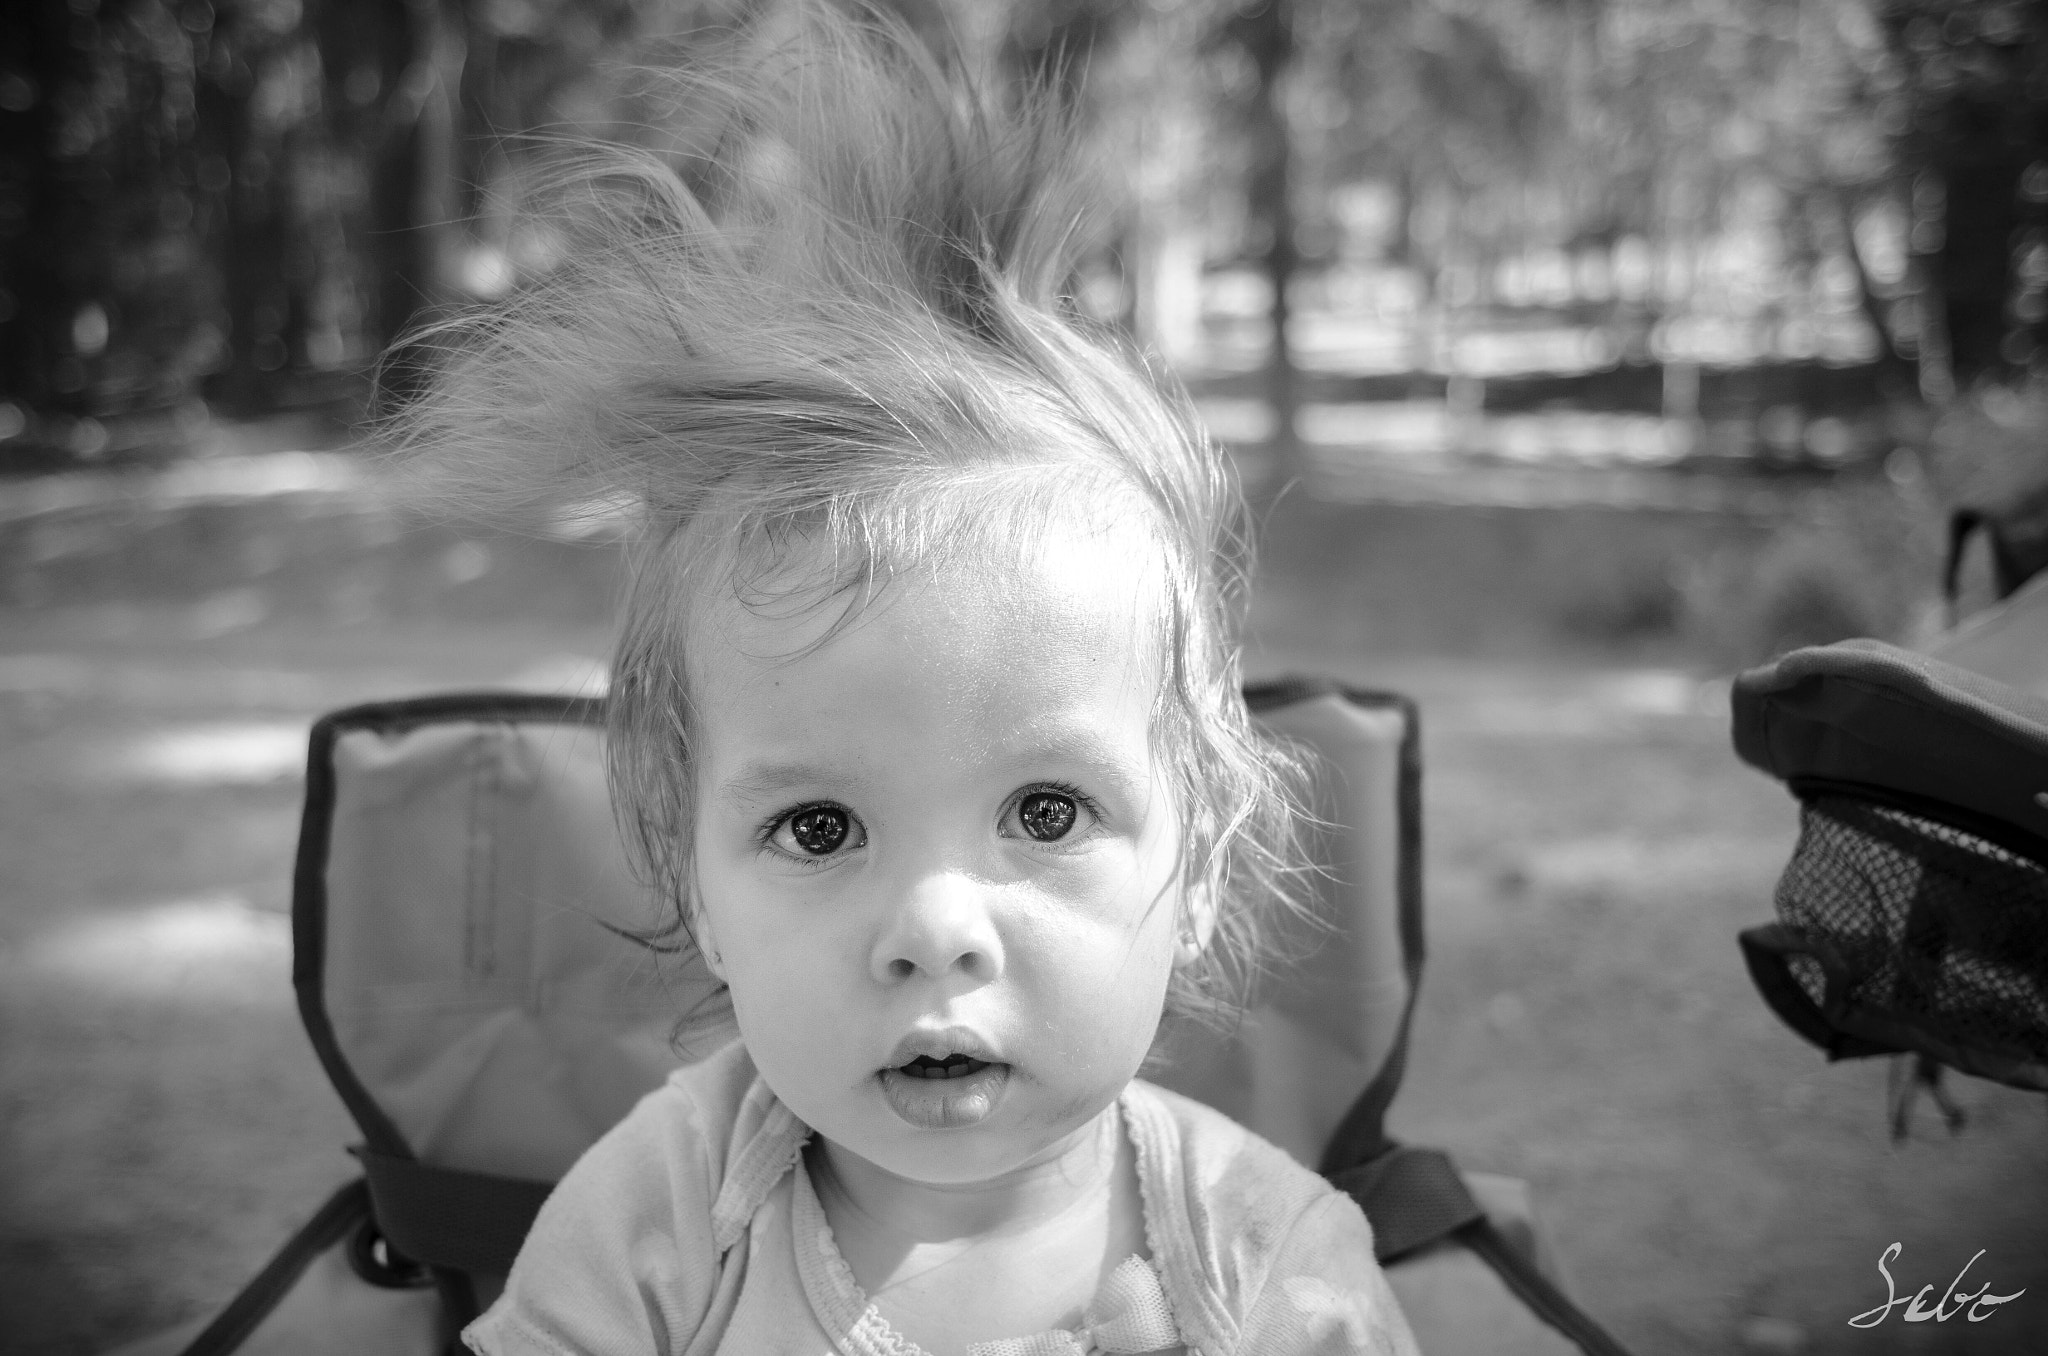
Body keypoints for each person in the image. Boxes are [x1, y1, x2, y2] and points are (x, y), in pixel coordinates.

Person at [394, 4, 1419, 1352]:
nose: (934, 929)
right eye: (817, 828)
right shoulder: (667, 1214)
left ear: (1204, 860)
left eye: (1047, 813)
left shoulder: (1270, 1266)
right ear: (697, 890)